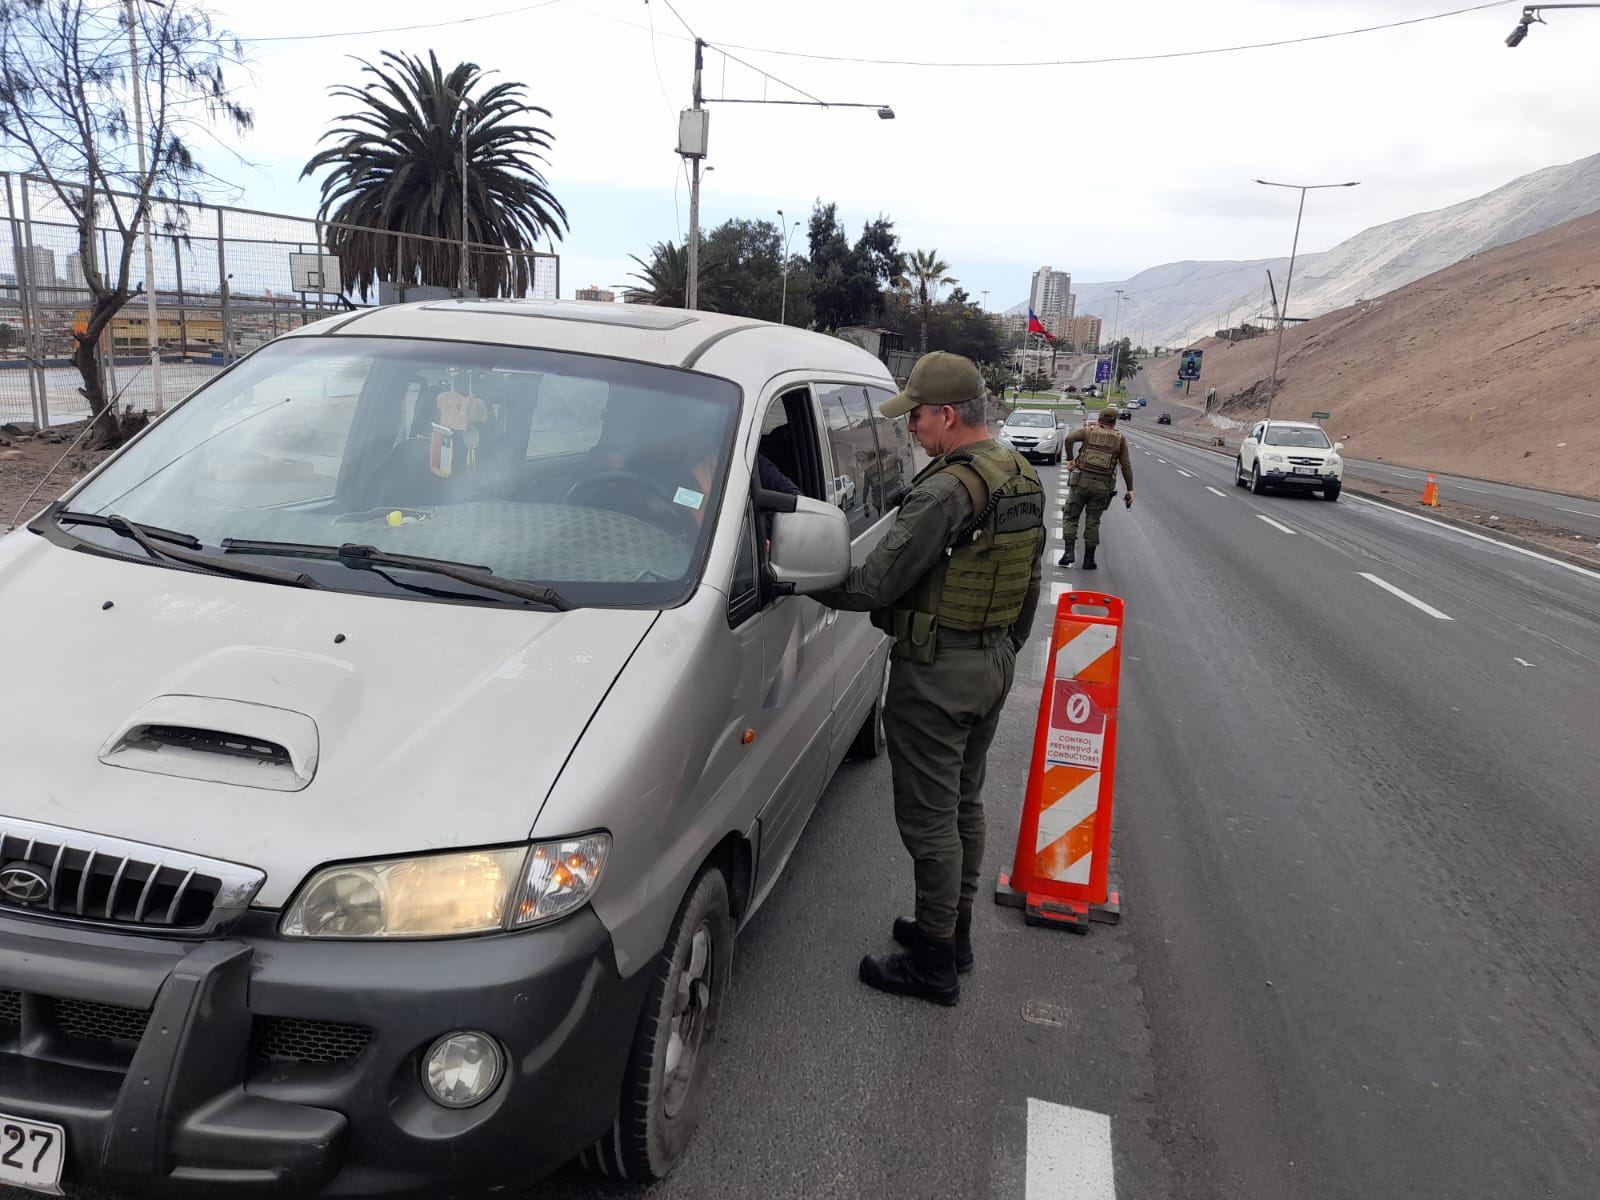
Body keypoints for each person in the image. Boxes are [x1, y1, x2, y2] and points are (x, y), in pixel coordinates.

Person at [811, 352, 1046, 1007]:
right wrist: (997, 649)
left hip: (939, 674)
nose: (910, 427)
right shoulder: (1018, 473)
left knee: (930, 822)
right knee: (964, 804)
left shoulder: (947, 488)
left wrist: (794, 579)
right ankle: (953, 933)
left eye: (916, 415)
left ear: (947, 414)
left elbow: (873, 584)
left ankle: (933, 967)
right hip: (990, 663)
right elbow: (1031, 580)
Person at [1058, 407, 1134, 569]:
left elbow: (1069, 439)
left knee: (1071, 516)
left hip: (1081, 482)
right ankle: (1088, 560)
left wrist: (1071, 459)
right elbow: (1125, 466)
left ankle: (1068, 553)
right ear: (1114, 422)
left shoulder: (1087, 432)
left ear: (1100, 419)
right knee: (1093, 521)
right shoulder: (1120, 440)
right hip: (1103, 486)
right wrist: (1130, 489)